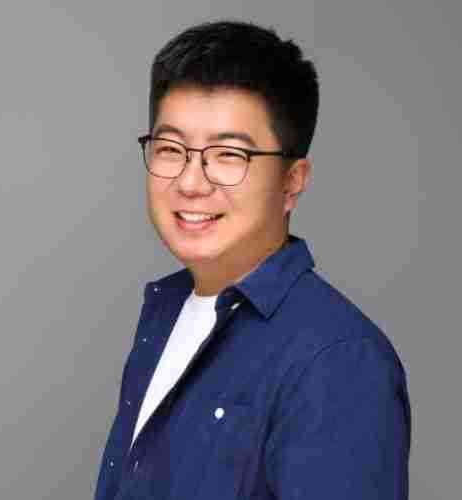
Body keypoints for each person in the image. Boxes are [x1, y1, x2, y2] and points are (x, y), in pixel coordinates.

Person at [94, 20, 411, 500]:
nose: (191, 182)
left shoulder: (340, 361)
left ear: (292, 181)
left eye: (228, 155)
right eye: (171, 149)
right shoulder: (164, 312)